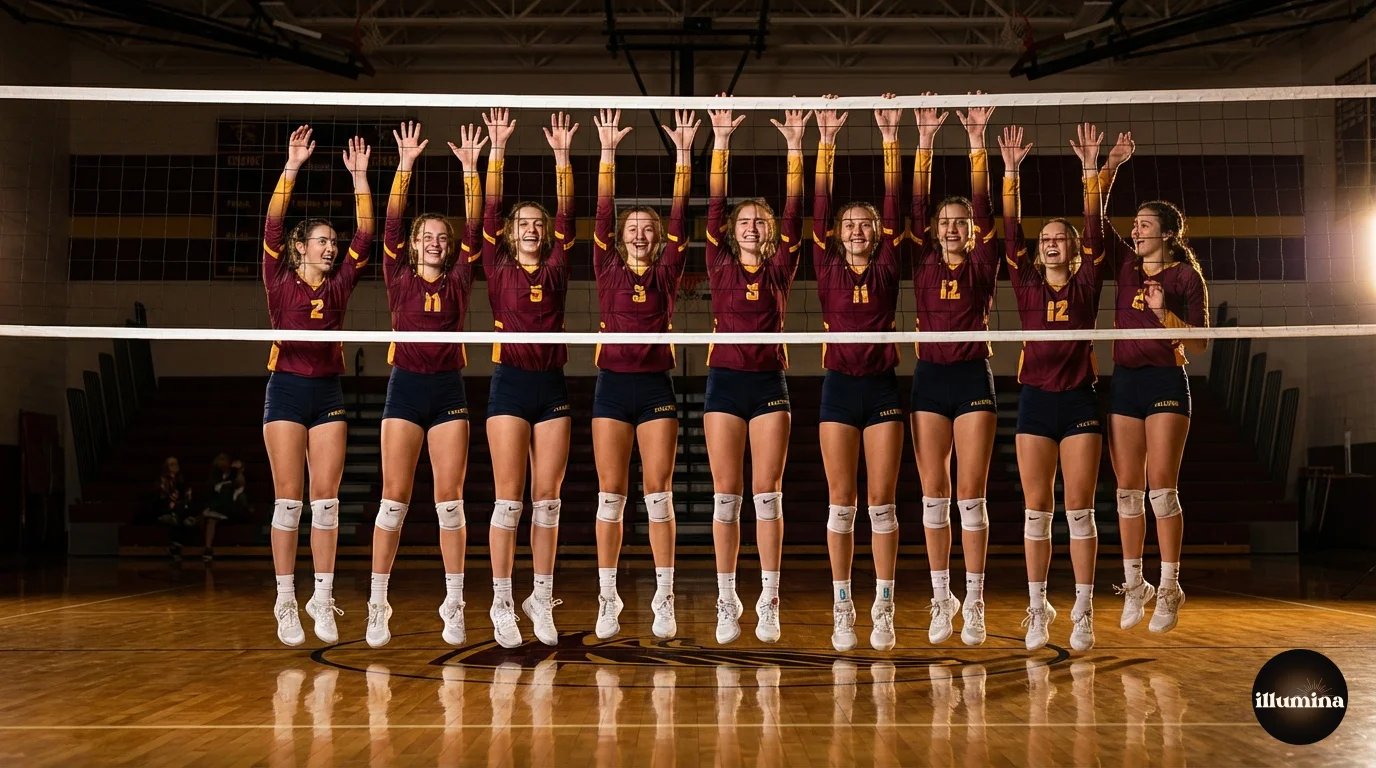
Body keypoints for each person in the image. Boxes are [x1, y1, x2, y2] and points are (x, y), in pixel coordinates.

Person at [365, 120, 484, 648]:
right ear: (413, 246)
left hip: (449, 391)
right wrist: (406, 166)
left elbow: (477, 227)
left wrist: (471, 172)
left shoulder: (460, 276)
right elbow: (389, 225)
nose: (436, 242)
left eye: (443, 237)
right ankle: (377, 602)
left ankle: (453, 603)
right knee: (394, 499)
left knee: (450, 502)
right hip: (406, 387)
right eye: (426, 237)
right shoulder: (398, 276)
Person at [261, 126, 374, 646]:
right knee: (290, 502)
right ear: (299, 248)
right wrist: (292, 166)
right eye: (323, 241)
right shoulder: (279, 277)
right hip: (285, 390)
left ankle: (322, 596)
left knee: (326, 502)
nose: (332, 248)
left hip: (327, 392)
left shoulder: (340, 284)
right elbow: (273, 221)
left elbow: (367, 237)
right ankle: (286, 598)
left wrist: (360, 180)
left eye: (334, 241)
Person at [589, 108, 697, 640]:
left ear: (656, 239)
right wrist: (605, 153)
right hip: (612, 386)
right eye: (630, 228)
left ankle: (664, 595)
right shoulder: (605, 264)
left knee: (658, 493)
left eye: (645, 229)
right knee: (611, 495)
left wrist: (683, 157)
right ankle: (607, 597)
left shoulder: (668, 268)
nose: (636, 234)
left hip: (656, 386)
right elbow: (602, 212)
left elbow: (681, 219)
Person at [703, 97, 808, 645]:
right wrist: (718, 142)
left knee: (767, 493)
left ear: (767, 232)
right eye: (742, 222)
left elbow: (795, 212)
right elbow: (714, 208)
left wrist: (795, 147)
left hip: (770, 383)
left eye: (757, 222)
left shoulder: (781, 265)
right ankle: (727, 598)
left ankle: (768, 597)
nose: (747, 227)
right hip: (724, 382)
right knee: (727, 495)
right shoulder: (717, 262)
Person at [1001, 123, 1108, 652]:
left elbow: (1096, 229)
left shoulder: (1088, 281)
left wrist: (1091, 172)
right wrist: (1010, 173)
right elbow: (1009, 232)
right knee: (1036, 509)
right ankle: (1038, 605)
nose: (1050, 244)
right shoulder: (1024, 282)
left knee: (1080, 510)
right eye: (1045, 240)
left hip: (1080, 400)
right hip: (1036, 403)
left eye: (1059, 238)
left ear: (1072, 248)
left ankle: (1083, 609)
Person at [1100, 131, 1209, 634]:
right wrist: (1111, 166)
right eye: (1135, 224)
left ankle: (1170, 584)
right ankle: (1135, 582)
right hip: (1125, 381)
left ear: (1167, 234)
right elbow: (1096, 219)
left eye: (1145, 225)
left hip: (1167, 380)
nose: (1136, 230)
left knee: (1161, 491)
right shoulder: (1124, 264)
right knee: (1126, 492)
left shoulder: (1185, 277)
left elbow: (1202, 345)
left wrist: (1166, 315)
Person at [811, 95, 905, 652]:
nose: (856, 230)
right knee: (841, 501)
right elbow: (819, 210)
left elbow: (895, 208)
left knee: (883, 504)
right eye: (849, 224)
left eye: (865, 225)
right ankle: (843, 605)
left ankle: (884, 605)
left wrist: (890, 138)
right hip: (838, 390)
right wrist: (825, 142)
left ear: (876, 234)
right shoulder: (825, 265)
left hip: (883, 388)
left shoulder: (890, 264)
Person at [480, 109, 577, 648]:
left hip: (553, 386)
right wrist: (497, 151)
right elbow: (488, 211)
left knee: (549, 498)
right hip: (510, 383)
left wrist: (564, 158)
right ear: (512, 233)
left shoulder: (559, 266)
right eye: (524, 224)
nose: (533, 229)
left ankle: (540, 596)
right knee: (508, 500)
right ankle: (500, 599)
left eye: (539, 224)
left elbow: (570, 215)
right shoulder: (497, 266)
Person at [908, 95, 999, 646]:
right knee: (933, 494)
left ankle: (977, 599)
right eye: (944, 222)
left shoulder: (984, 264)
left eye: (959, 223)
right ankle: (942, 598)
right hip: (927, 379)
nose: (950, 228)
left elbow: (987, 215)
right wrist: (923, 142)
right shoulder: (922, 261)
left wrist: (975, 144)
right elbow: (915, 207)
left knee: (972, 494)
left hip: (971, 377)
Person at [202, 453, 248, 561]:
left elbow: (239, 487)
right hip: (218, 509)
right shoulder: (216, 478)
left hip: (233, 510)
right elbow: (213, 492)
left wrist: (237, 472)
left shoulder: (237, 480)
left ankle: (209, 512)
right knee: (211, 520)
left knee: (212, 514)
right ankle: (208, 549)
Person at [155, 456, 195, 561]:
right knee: (177, 520)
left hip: (179, 509)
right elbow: (158, 499)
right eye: (172, 464)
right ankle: (177, 548)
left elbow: (186, 497)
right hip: (164, 509)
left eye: (176, 464)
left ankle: (176, 548)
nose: (175, 466)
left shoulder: (182, 480)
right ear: (166, 467)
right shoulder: (162, 481)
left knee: (183, 517)